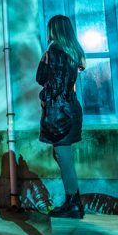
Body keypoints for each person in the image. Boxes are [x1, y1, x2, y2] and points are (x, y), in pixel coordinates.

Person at [36, 15, 86, 219]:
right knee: (62, 156)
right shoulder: (75, 53)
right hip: (72, 108)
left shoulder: (53, 52)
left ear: (53, 30)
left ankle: (74, 204)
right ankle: (72, 201)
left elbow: (43, 80)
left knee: (63, 156)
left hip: (59, 111)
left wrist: (44, 97)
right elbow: (70, 78)